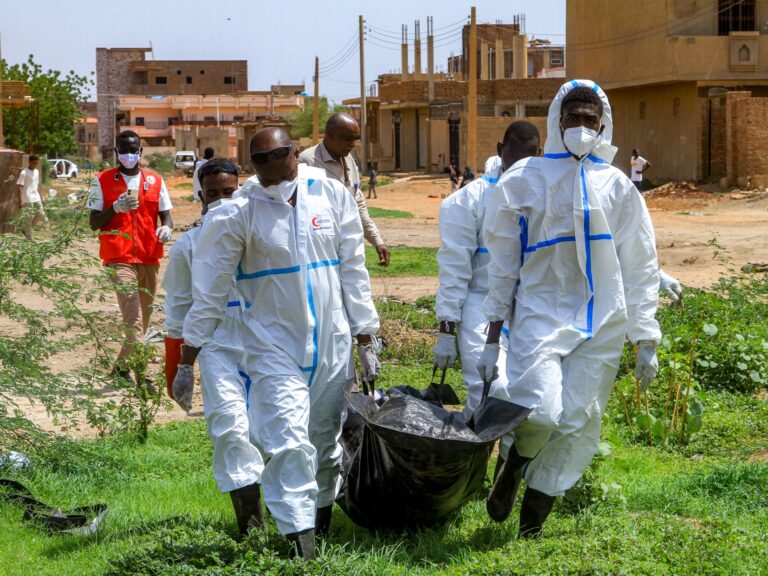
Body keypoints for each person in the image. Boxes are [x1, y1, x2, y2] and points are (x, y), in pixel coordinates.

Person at [181, 128, 381, 559]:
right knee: (288, 442)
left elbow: (353, 270)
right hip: (271, 347)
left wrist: (366, 335)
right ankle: (301, 550)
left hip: (331, 341)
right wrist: (187, 358)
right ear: (251, 164)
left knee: (324, 442)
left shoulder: (330, 195)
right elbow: (210, 293)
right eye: (260, 162)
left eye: (278, 156)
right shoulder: (239, 213)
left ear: (295, 153)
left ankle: (320, 531)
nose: (271, 168)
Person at [478, 80, 661, 538]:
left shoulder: (617, 186)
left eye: (589, 119)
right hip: (542, 312)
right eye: (573, 118)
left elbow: (639, 263)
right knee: (541, 412)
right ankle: (515, 461)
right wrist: (492, 335)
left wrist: (646, 335)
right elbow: (502, 264)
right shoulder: (525, 179)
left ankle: (531, 523)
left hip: (602, 321)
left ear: (603, 125)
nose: (581, 126)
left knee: (579, 420)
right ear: (557, 122)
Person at [163, 158, 266, 537]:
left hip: (266, 345)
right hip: (218, 347)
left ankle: (296, 521)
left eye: (229, 192)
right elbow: (177, 311)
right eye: (213, 194)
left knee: (272, 431)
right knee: (230, 430)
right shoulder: (188, 246)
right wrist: (178, 367)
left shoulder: (262, 236)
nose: (222, 199)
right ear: (200, 197)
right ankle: (252, 528)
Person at [433, 121, 541, 422]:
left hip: (529, 306)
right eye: (514, 157)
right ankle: (468, 444)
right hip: (480, 304)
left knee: (528, 396)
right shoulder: (468, 200)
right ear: (499, 151)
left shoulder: (544, 196)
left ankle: (507, 460)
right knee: (489, 387)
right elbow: (455, 269)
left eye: (530, 157)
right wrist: (446, 331)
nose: (521, 166)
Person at [88, 130, 174, 385]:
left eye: (133, 150)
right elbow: (93, 222)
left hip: (149, 256)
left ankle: (120, 369)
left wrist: (166, 228)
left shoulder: (156, 180)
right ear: (116, 152)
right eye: (123, 150)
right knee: (134, 318)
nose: (128, 155)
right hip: (119, 257)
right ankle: (142, 376)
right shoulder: (101, 181)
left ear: (140, 152)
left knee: (143, 321)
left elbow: (165, 214)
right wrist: (114, 208)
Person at [299, 113, 390, 266]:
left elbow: (358, 205)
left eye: (355, 139)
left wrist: (377, 241)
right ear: (329, 135)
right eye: (348, 139)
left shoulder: (349, 161)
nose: (352, 145)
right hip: (320, 251)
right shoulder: (307, 162)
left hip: (349, 247)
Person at [17, 154, 47, 240]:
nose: (36, 165)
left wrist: (41, 197)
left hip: (36, 196)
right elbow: (20, 186)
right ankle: (28, 237)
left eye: (37, 163)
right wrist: (21, 199)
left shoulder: (37, 172)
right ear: (29, 162)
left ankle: (25, 229)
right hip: (27, 197)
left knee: (41, 214)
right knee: (29, 217)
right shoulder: (24, 172)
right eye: (34, 163)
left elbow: (36, 185)